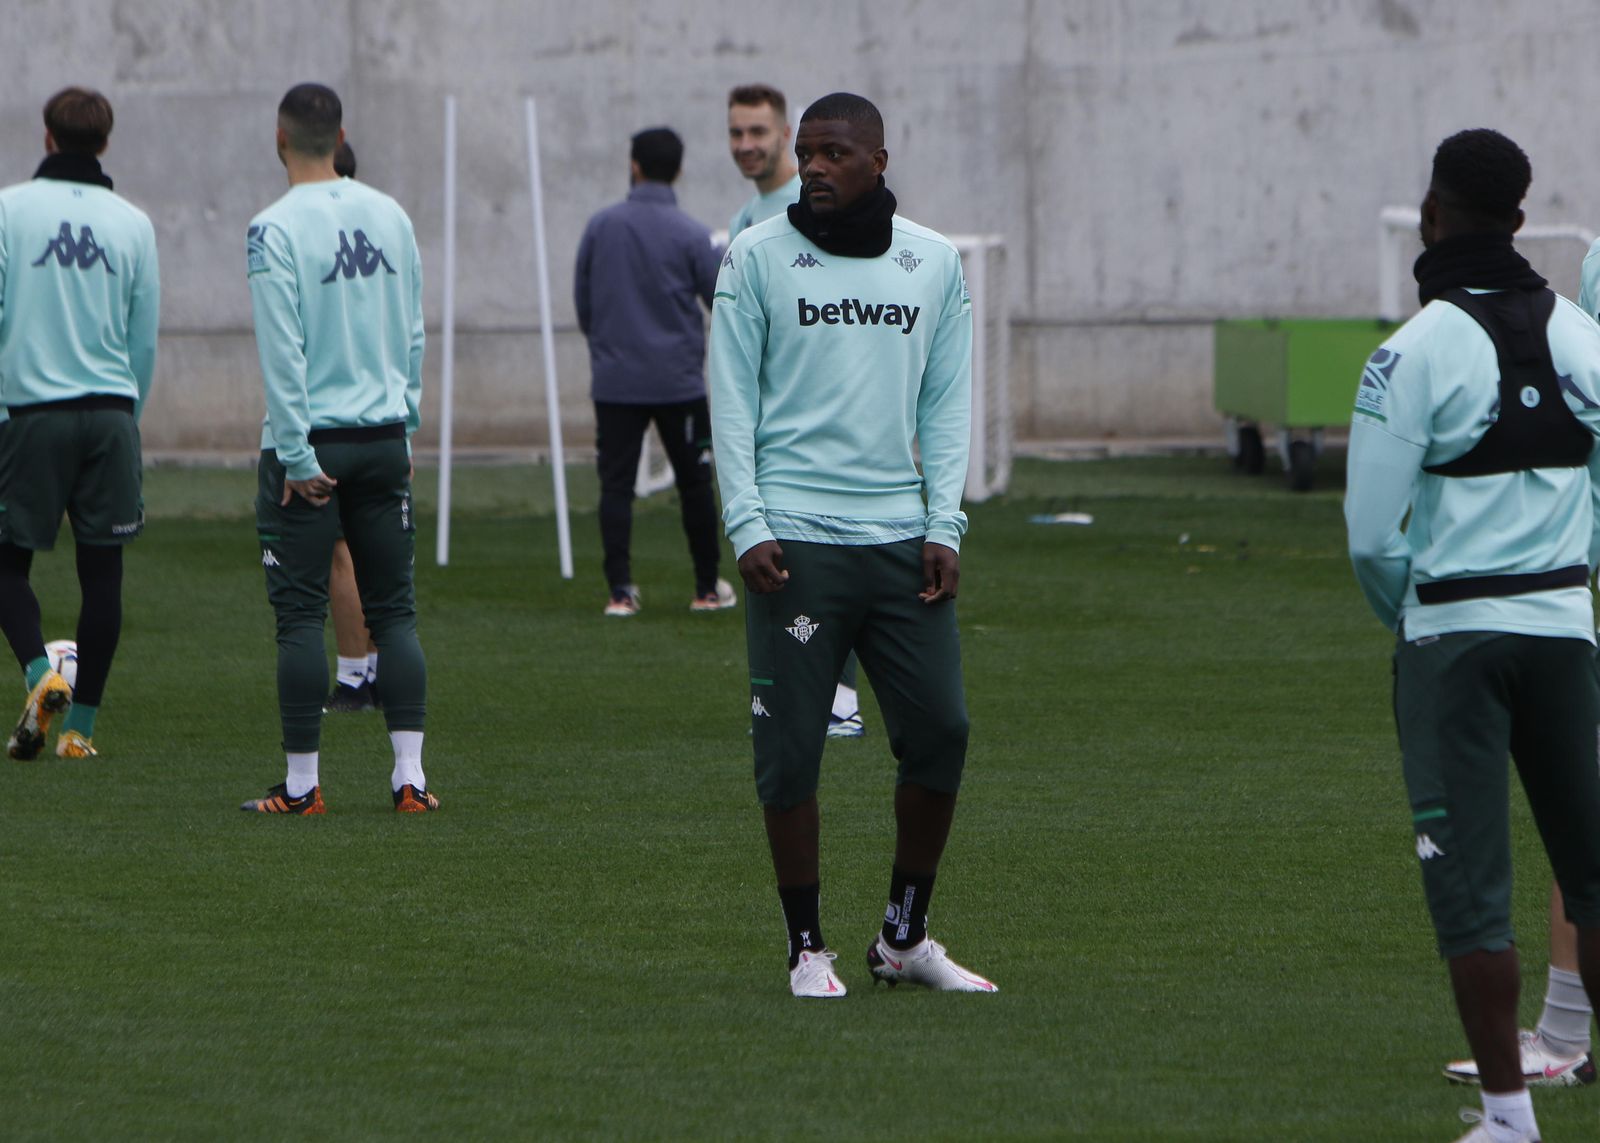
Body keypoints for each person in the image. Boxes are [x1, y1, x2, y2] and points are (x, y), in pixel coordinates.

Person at [709, 91, 996, 999]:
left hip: (901, 541)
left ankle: (903, 938)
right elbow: (730, 397)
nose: (815, 168)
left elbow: (948, 404)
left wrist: (942, 520)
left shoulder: (933, 262)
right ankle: (806, 948)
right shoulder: (756, 256)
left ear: (878, 157)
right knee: (792, 751)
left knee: (942, 731)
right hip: (794, 543)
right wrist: (748, 521)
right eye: (807, 153)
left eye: (834, 153)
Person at [1345, 128, 1600, 1143]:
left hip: (1452, 636)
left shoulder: (1410, 351)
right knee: (1588, 870)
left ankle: (1507, 1119)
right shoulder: (1584, 334)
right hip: (1563, 632)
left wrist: (1412, 612)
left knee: (1471, 888)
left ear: (1432, 215)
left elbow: (1371, 535)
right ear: (1523, 221)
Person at [241, 83, 434, 814]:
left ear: (280, 139)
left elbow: (282, 352)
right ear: (341, 133)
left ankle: (301, 788)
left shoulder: (272, 228)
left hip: (312, 442)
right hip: (384, 436)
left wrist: (294, 454)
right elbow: (413, 331)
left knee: (298, 620)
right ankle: (410, 779)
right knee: (398, 613)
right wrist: (406, 424)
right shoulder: (391, 212)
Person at [0, 86, 159, 760]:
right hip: (111, 414)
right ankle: (80, 731)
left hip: (33, 413)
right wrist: (130, 412)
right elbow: (142, 336)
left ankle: (41, 673)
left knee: (7, 561)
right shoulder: (133, 222)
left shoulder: (8, 209)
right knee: (104, 577)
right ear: (104, 141)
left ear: (46, 137)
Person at [727, 83, 864, 740]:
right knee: (789, 576)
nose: (746, 145)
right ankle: (811, 696)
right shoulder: (744, 223)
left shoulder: (822, 205)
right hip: (772, 435)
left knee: (841, 562)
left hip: (836, 438)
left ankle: (841, 698)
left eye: (758, 132)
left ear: (787, 137)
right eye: (735, 133)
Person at [574, 127, 732, 618]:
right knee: (694, 484)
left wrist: (608, 348)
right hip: (678, 384)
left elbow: (584, 304)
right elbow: (720, 300)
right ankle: (707, 588)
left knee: (616, 486)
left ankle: (620, 592)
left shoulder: (601, 226)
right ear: (679, 169)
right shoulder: (693, 233)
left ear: (634, 164)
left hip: (617, 381)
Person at [323, 137, 381, 714]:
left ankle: (353, 677)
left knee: (339, 550)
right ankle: (379, 670)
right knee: (382, 551)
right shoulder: (386, 228)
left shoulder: (298, 232)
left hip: (331, 419)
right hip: (384, 419)